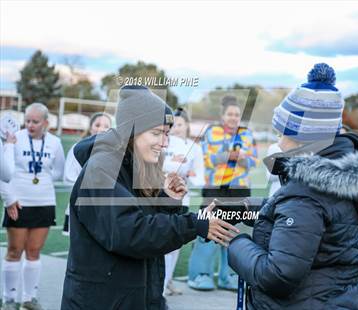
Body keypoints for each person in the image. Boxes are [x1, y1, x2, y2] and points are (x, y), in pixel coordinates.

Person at [222, 63, 358, 309]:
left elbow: (277, 275)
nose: (278, 139)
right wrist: (241, 208)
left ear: (301, 136)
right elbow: (299, 217)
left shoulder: (308, 194)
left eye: (281, 132)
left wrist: (235, 242)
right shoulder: (340, 176)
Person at [60, 85, 239, 310]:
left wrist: (166, 199)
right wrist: (194, 224)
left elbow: (143, 222)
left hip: (135, 295)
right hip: (103, 300)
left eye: (166, 133)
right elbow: (129, 233)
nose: (164, 142)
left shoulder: (136, 163)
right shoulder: (102, 167)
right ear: (130, 130)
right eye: (156, 133)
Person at [187, 95, 258, 291]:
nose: (234, 117)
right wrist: (229, 155)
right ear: (223, 115)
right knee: (208, 231)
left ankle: (230, 276)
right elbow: (207, 158)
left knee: (235, 233)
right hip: (215, 190)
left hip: (240, 191)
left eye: (237, 114)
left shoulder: (247, 134)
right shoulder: (212, 131)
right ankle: (200, 275)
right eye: (230, 114)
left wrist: (243, 159)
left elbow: (254, 160)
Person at [0, 103, 65, 310]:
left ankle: (29, 298)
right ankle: (8, 299)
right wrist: (9, 198)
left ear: (46, 122)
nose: (30, 125)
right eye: (27, 120)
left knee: (34, 251)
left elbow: (58, 171)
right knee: (14, 250)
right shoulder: (14, 139)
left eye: (35, 121)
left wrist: (40, 181)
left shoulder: (55, 142)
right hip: (18, 203)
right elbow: (3, 172)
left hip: (45, 202)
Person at [162, 107, 205, 295]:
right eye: (173, 125)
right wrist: (176, 166)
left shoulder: (194, 147)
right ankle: (161, 285)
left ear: (187, 125)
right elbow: (157, 165)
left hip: (182, 200)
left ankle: (167, 280)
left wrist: (186, 172)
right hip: (159, 199)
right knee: (161, 242)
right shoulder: (163, 143)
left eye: (180, 124)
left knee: (174, 245)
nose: (176, 128)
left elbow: (200, 178)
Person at [62, 112, 112, 235]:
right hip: (80, 210)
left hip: (103, 212)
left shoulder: (114, 153)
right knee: (78, 251)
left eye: (106, 126)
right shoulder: (78, 148)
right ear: (90, 128)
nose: (101, 129)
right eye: (97, 125)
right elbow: (69, 179)